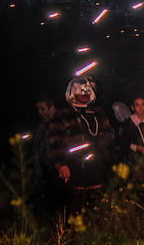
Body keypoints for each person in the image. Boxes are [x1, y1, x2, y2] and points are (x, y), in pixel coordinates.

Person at [46, 76, 117, 218]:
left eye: (87, 91)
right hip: (74, 166)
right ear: (72, 92)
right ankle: (77, 234)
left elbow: (110, 133)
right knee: (76, 204)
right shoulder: (62, 115)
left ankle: (100, 231)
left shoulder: (97, 112)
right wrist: (61, 165)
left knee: (98, 202)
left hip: (96, 164)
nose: (84, 94)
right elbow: (54, 141)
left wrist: (97, 145)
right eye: (80, 91)